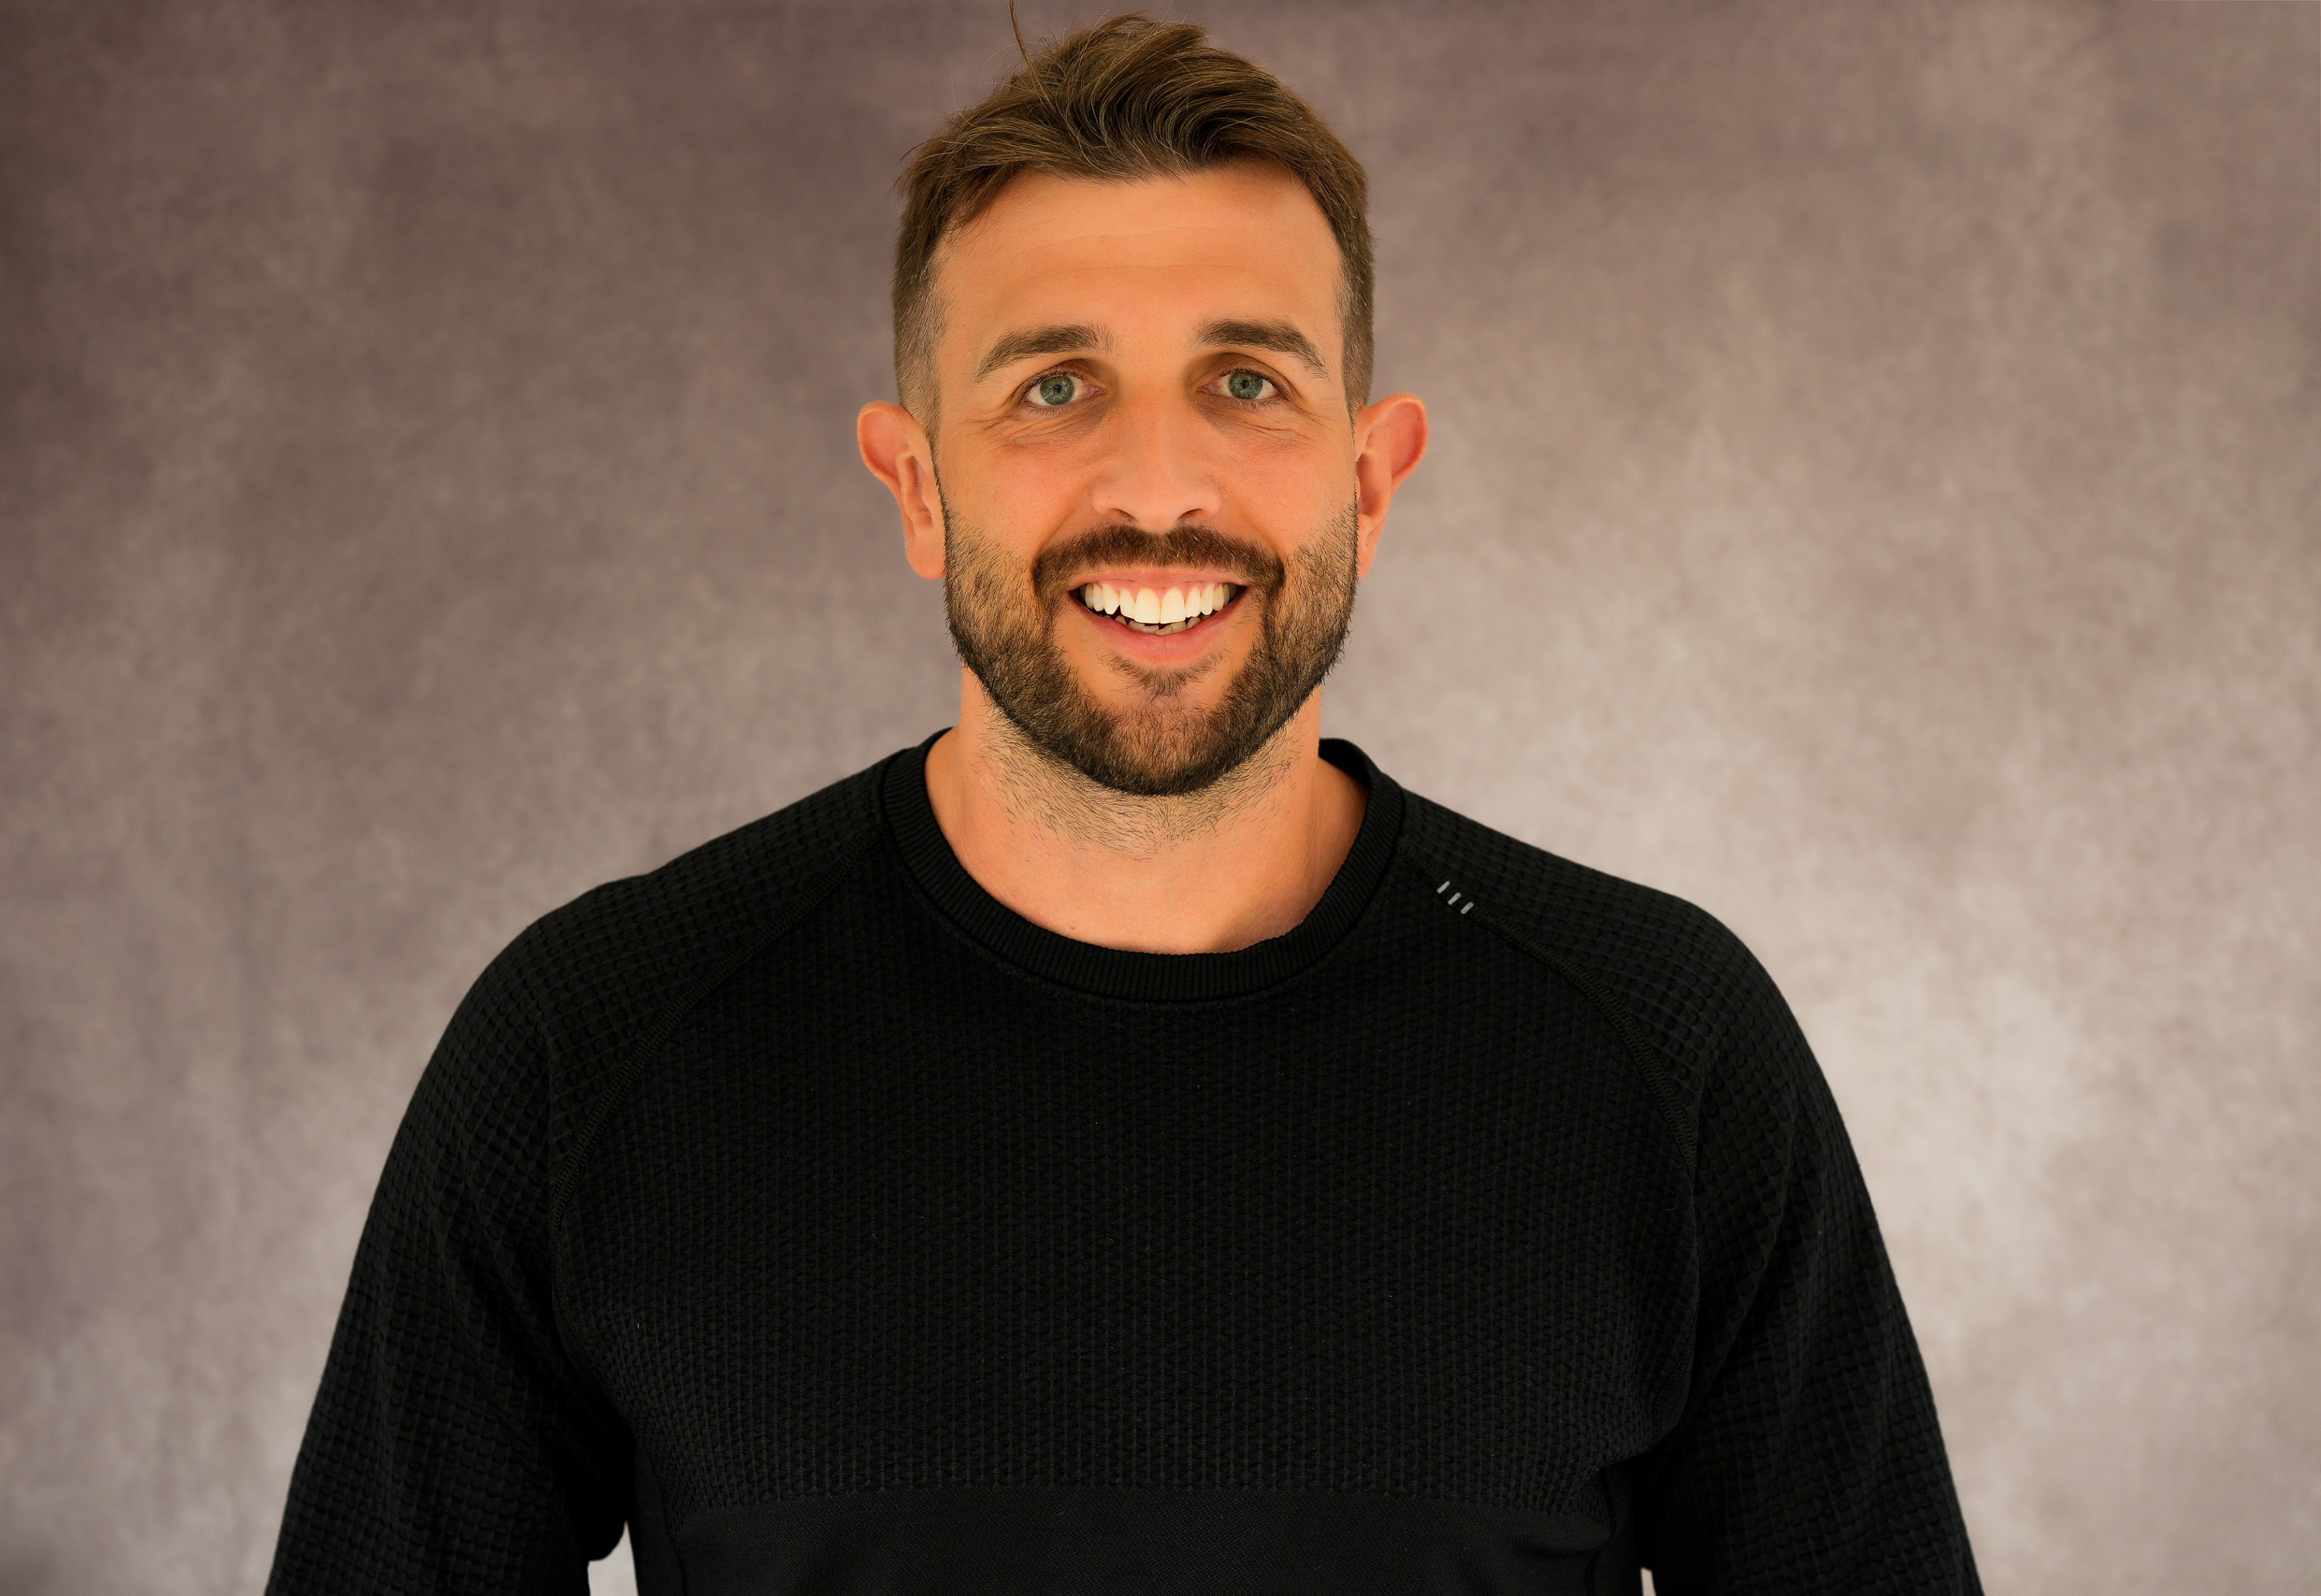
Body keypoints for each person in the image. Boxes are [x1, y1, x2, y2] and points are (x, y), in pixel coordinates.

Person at [266, 15, 1982, 1595]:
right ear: (917, 484)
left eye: (1248, 382)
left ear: (1371, 482)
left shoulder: (1667, 1060)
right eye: (1052, 387)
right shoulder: (588, 1055)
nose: (1157, 485)